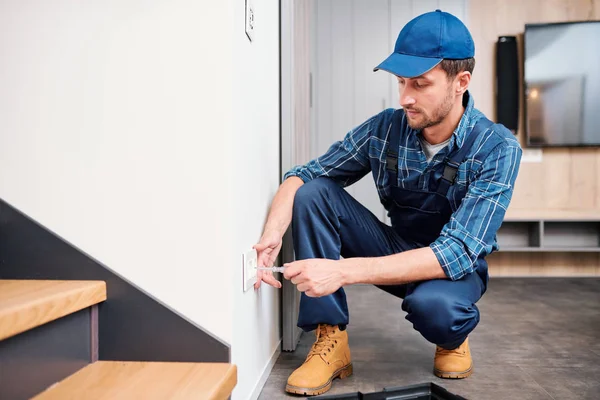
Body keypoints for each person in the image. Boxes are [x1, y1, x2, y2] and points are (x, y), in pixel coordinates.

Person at [253, 9, 522, 397]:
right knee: (314, 193)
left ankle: (452, 339)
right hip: (397, 247)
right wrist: (272, 235)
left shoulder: (496, 148)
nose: (405, 97)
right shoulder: (387, 128)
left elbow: (456, 252)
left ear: (461, 81)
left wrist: (341, 272)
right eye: (400, 82)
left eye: (420, 83)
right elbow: (304, 175)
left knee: (437, 309)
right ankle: (332, 340)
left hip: (454, 271)